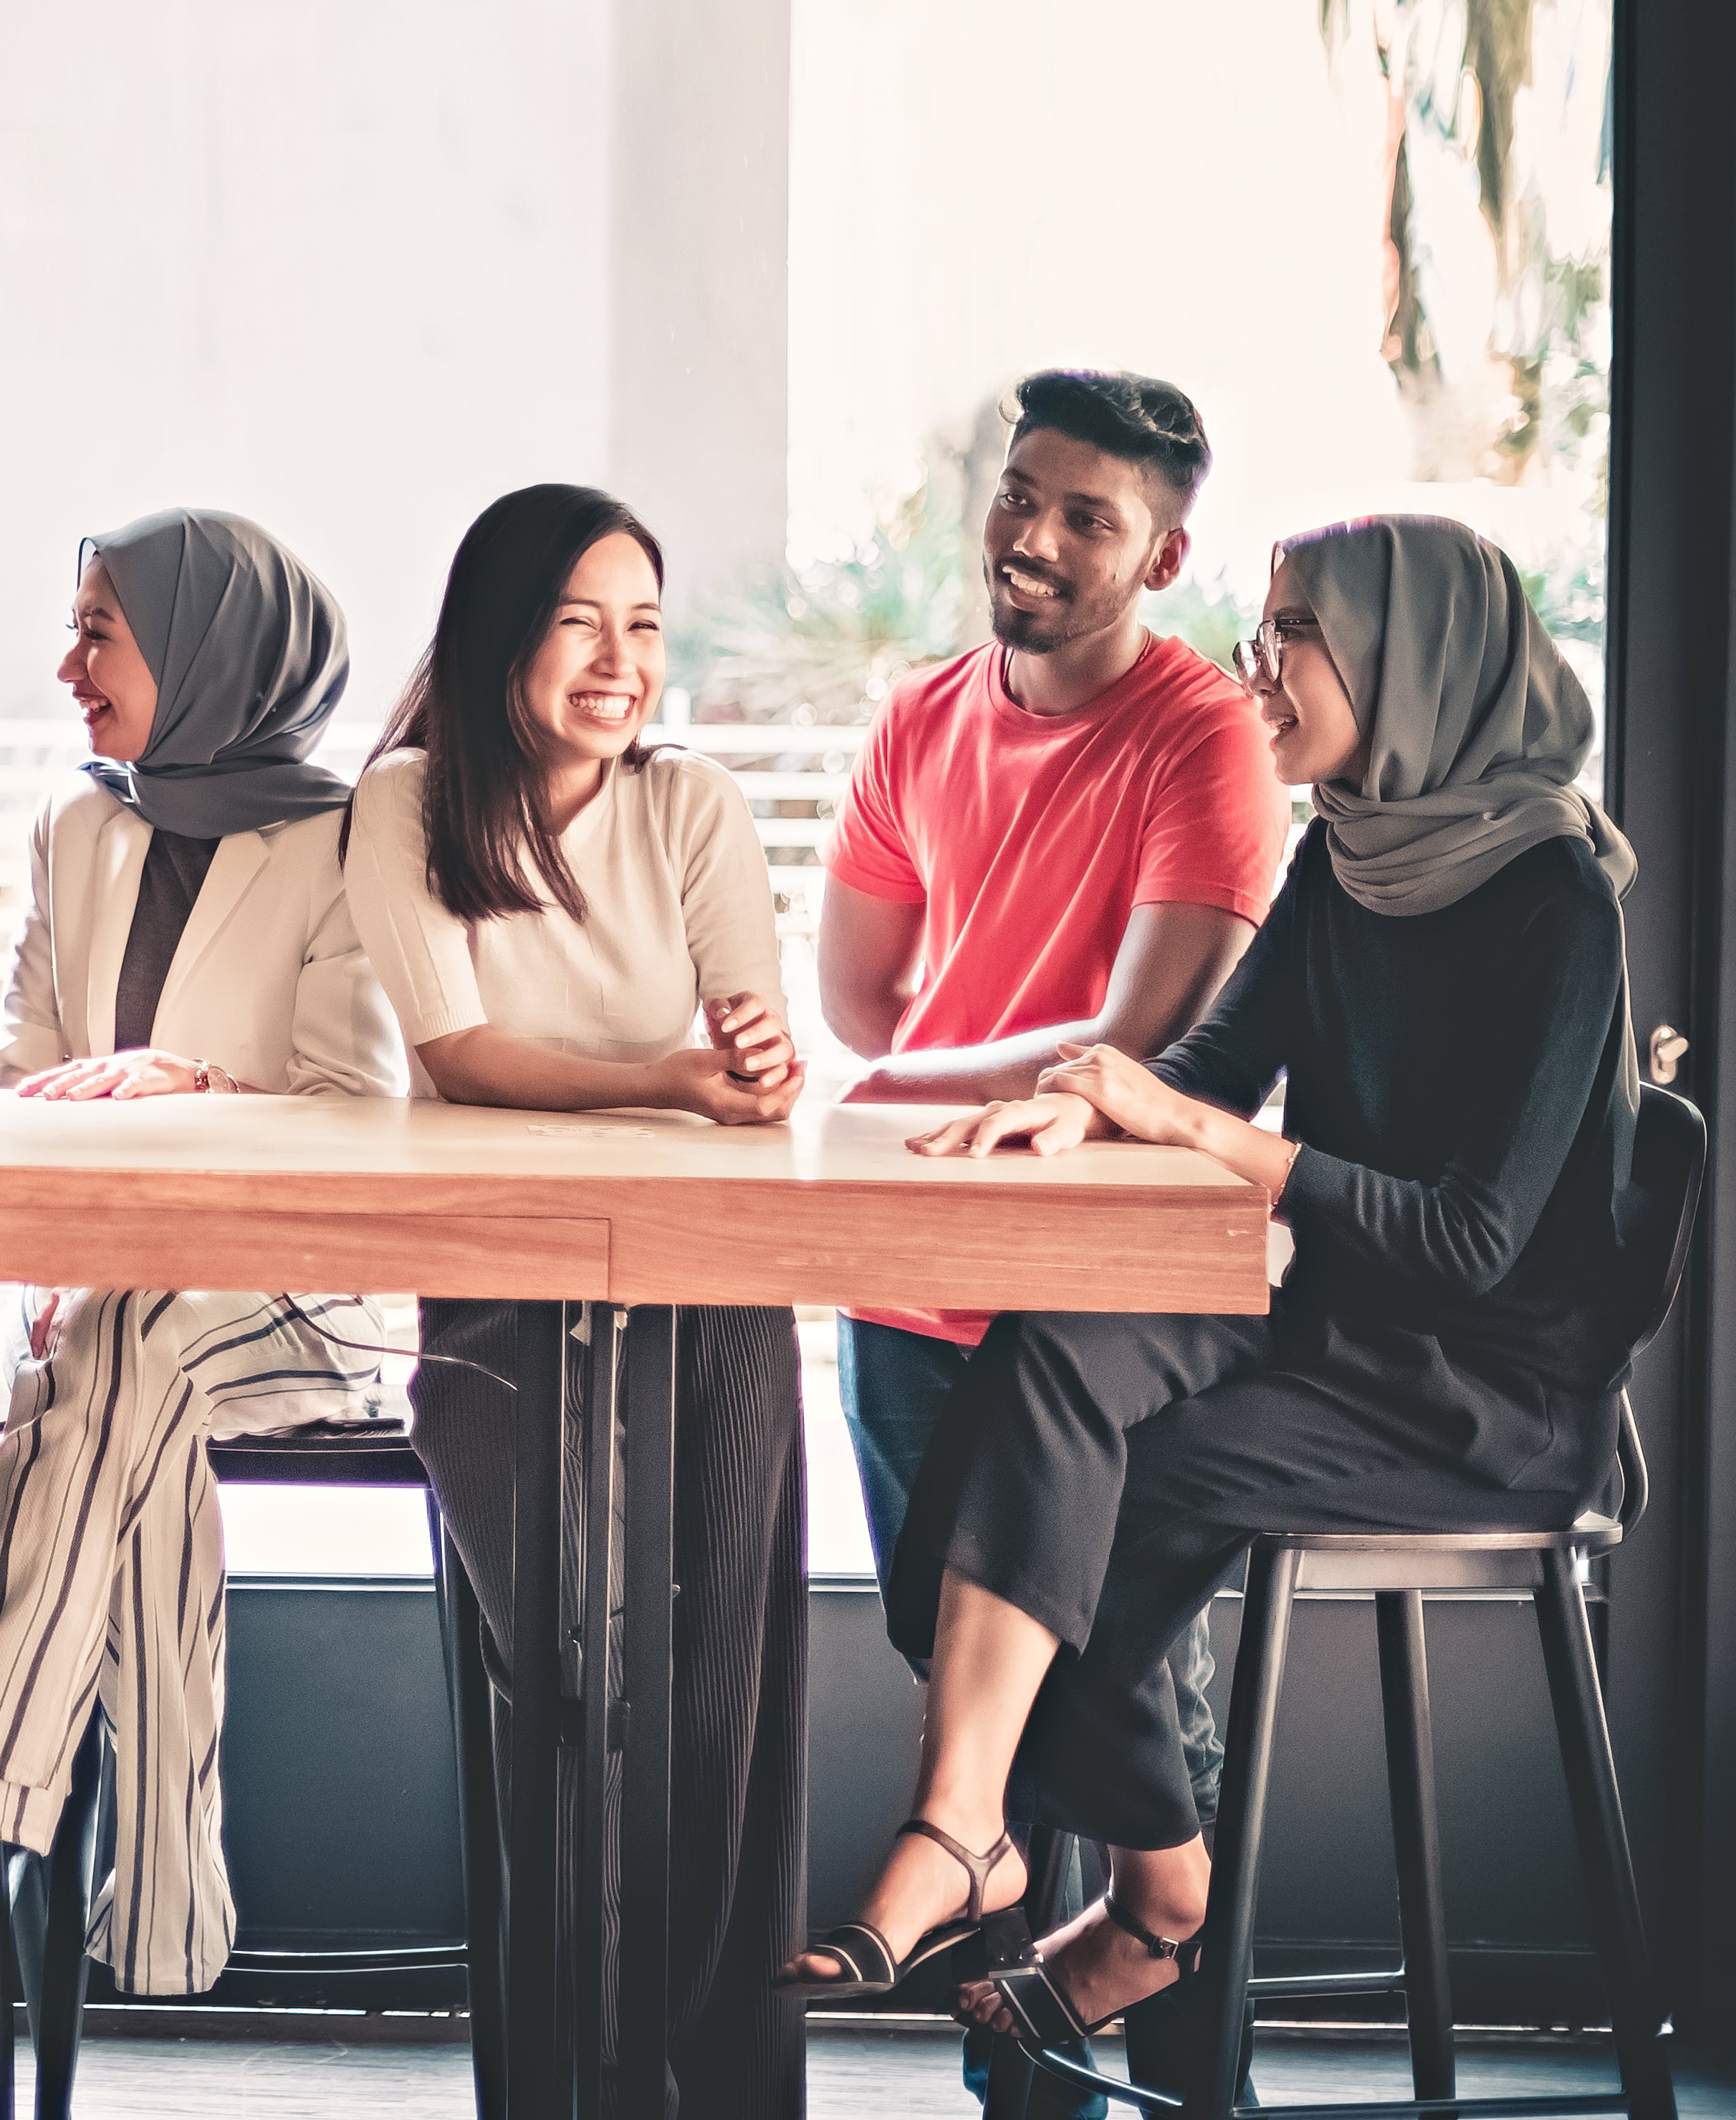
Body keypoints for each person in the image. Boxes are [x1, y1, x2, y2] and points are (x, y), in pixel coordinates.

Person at [793, 514, 1639, 2055]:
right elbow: (1213, 1064)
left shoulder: (1557, 905)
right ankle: (966, 1815)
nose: (1261, 670)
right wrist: (1094, 1099)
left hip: (1483, 1395)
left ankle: (1153, 1904)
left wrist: (1183, 1123)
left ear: (1412, 662)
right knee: (1053, 1348)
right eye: (1261, 632)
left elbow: (1469, 1242)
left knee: (1093, 1493)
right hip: (1335, 1319)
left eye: (1294, 633)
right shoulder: (1349, 856)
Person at [0, 509, 405, 1997]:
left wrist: (201, 1087)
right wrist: (45, 1268)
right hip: (119, 1302)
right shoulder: (76, 823)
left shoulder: (355, 838)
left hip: (322, 1297)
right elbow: (30, 1074)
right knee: (123, 1362)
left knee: (120, 1357)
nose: (67, 662)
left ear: (211, 652)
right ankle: (163, 1908)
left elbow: (370, 1117)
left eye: (103, 630)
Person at [807, 372, 1287, 2074]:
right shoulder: (921, 713)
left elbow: (1147, 1032)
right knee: (972, 1710)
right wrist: (922, 1082)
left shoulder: (1205, 733)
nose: (1035, 535)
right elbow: (855, 997)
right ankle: (1023, 2092)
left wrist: (918, 1079)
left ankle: (1184, 2082)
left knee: (1134, 1710)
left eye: (1090, 515)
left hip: (1099, 1295)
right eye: (1024, 494)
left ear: (1161, 558)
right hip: (912, 1284)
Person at [340, 482, 809, 2111]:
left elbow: (749, 1045)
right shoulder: (406, 802)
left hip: (706, 1281)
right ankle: (570, 2073)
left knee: (727, 1678)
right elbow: (460, 1060)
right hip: (499, 1288)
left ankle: (724, 2073)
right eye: (581, 621)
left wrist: (745, 1063)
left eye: (646, 626)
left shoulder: (693, 806)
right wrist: (670, 1076)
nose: (621, 662)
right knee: (569, 1675)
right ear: (501, 634)